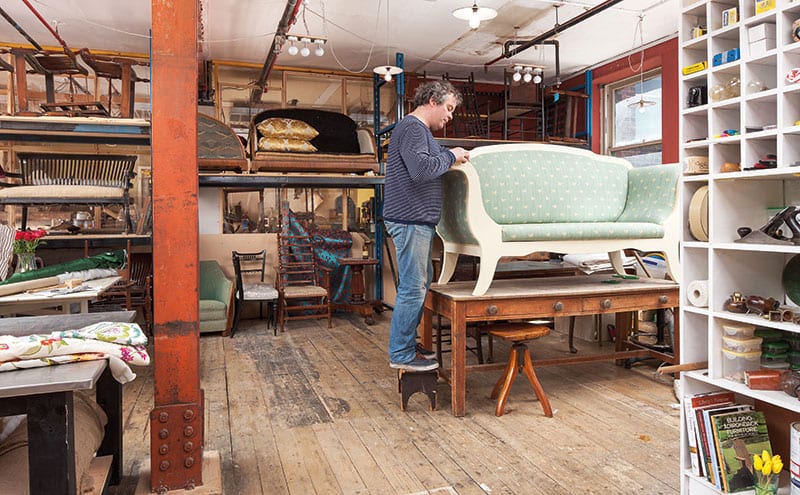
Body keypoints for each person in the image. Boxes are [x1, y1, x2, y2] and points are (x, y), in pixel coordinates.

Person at [383, 80, 470, 371]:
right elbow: (421, 171)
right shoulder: (412, 128)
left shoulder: (416, 132)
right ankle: (401, 354)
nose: (450, 115)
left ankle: (406, 346)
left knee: (419, 284)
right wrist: (451, 155)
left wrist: (445, 157)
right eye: (448, 108)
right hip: (410, 221)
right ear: (432, 100)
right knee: (412, 288)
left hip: (415, 221)